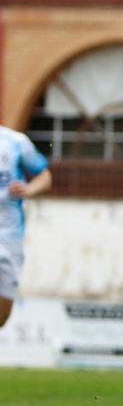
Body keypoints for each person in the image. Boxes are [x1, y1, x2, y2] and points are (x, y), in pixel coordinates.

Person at [0, 126, 52, 330]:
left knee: (2, 317)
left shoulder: (15, 142)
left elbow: (45, 176)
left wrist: (28, 189)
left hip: (10, 236)